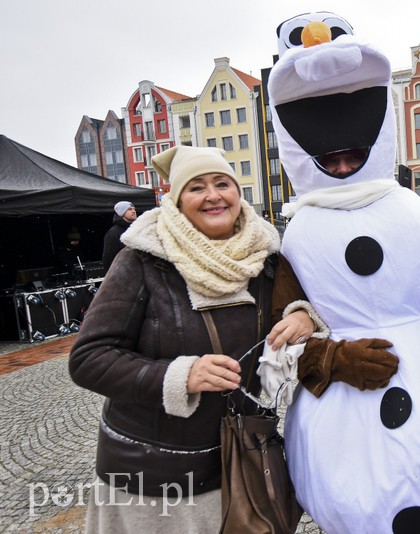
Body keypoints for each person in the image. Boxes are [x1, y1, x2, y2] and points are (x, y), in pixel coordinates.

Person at [268, 16, 420, 533]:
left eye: (352, 155)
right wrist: (330, 357)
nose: (344, 167)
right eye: (331, 158)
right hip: (344, 416)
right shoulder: (297, 233)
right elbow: (278, 332)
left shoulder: (413, 212)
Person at [69, 146, 319, 533]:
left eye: (222, 183)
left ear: (238, 193)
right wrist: (180, 375)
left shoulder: (266, 259)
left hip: (243, 460)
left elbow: (295, 309)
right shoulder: (143, 260)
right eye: (196, 187)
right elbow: (88, 358)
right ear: (177, 200)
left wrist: (303, 315)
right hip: (155, 475)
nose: (213, 195)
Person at [102, 201, 137, 271]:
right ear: (122, 212)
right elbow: (108, 259)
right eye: (130, 209)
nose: (134, 211)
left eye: (134, 209)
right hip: (123, 276)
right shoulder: (113, 233)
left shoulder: (137, 229)